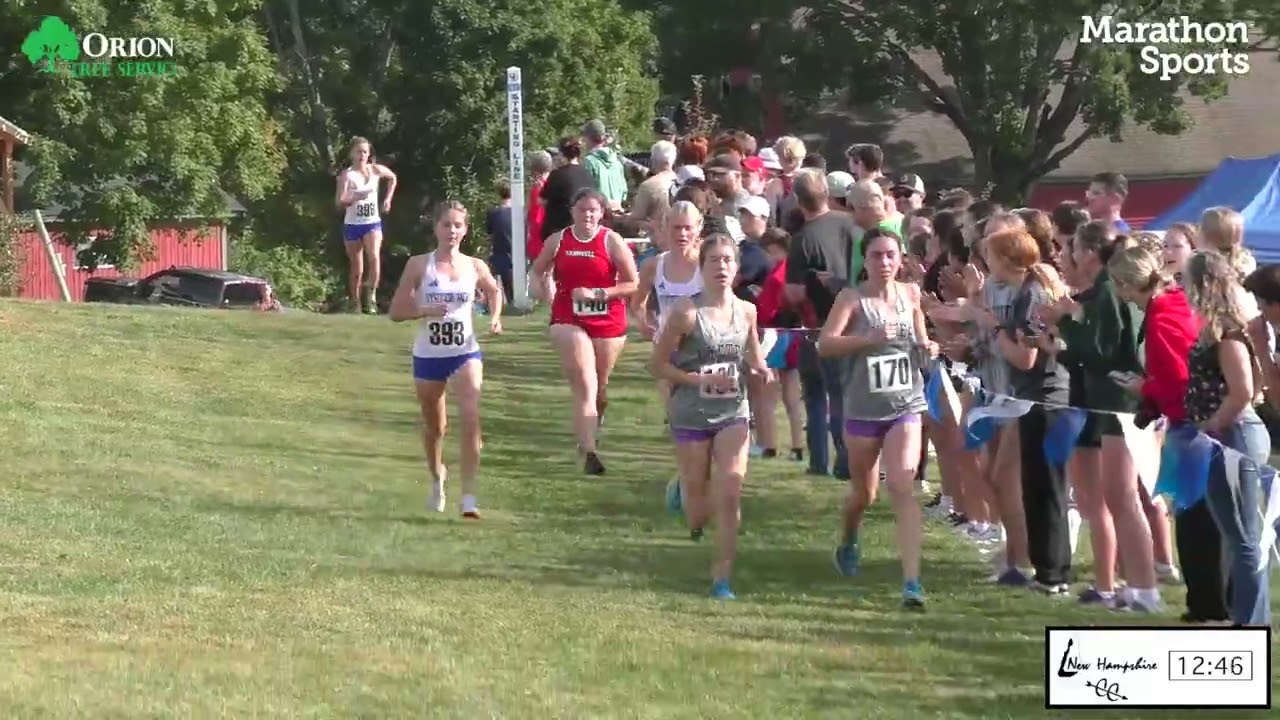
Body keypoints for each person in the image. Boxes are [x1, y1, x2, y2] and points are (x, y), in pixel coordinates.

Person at [819, 227, 937, 608]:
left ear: (901, 259)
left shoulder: (911, 294)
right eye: (876, 255)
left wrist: (927, 345)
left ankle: (912, 583)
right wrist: (866, 339)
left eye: (890, 255)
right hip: (863, 409)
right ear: (865, 261)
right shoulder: (852, 299)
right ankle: (848, 540)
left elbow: (919, 336)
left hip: (906, 405)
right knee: (864, 494)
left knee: (902, 485)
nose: (884, 262)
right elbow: (825, 344)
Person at [650, 234, 769, 599]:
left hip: (733, 411)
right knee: (698, 513)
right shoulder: (686, 313)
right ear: (701, 268)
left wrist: (762, 370)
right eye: (713, 260)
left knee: (730, 489)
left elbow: (752, 354)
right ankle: (683, 489)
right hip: (691, 412)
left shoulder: (747, 311)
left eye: (727, 260)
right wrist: (698, 379)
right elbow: (657, 365)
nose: (721, 267)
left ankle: (722, 578)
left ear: (737, 267)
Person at [388, 201, 504, 518]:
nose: (452, 231)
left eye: (458, 226)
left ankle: (469, 498)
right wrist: (424, 310)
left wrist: (495, 318)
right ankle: (437, 475)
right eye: (446, 225)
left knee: (471, 416)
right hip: (429, 356)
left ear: (465, 230)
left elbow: (494, 291)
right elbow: (396, 312)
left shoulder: (475, 265)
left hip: (464, 352)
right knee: (435, 428)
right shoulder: (418, 265)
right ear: (436, 228)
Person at [1180, 250, 1272, 626]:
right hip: (1225, 435)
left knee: (1244, 537)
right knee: (1237, 534)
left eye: (1186, 281)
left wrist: (1212, 424)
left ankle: (1251, 621)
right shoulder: (1218, 330)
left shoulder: (1227, 334)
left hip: (1233, 435)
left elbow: (1243, 391)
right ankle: (1248, 617)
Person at [531, 189, 640, 475]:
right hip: (568, 317)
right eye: (582, 210)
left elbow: (632, 283)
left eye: (593, 210)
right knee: (585, 383)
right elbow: (538, 270)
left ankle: (590, 431)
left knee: (599, 388)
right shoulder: (558, 240)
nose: (588, 215)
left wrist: (600, 293)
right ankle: (590, 452)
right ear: (573, 212)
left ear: (602, 213)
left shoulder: (611, 241)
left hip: (608, 320)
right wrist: (544, 291)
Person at [784, 169, 861, 479]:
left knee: (818, 394)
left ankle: (824, 461)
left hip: (820, 323)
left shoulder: (803, 239)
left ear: (797, 199)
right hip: (859, 321)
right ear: (827, 193)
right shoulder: (853, 224)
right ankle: (848, 458)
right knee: (847, 395)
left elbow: (794, 292)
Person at [336, 136, 397, 314]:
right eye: (359, 152)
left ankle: (371, 297)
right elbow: (339, 201)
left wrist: (388, 199)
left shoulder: (375, 170)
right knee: (357, 267)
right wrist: (355, 197)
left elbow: (392, 178)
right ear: (351, 154)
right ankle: (355, 302)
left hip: (372, 222)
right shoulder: (347, 175)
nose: (362, 155)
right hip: (353, 224)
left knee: (374, 257)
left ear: (369, 154)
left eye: (365, 152)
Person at [485, 180, 514, 303]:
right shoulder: (520, 212)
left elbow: (489, 234)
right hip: (518, 253)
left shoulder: (493, 213)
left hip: (500, 253)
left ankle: (494, 303)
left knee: (498, 284)